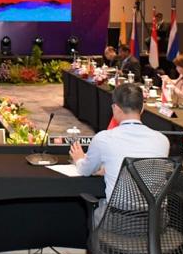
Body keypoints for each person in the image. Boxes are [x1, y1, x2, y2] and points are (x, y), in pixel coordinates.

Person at [70, 83, 170, 224]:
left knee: (98, 210)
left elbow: (85, 170)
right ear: (142, 108)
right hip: (157, 222)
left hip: (118, 220)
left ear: (115, 108)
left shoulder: (104, 138)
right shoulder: (163, 140)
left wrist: (79, 159)